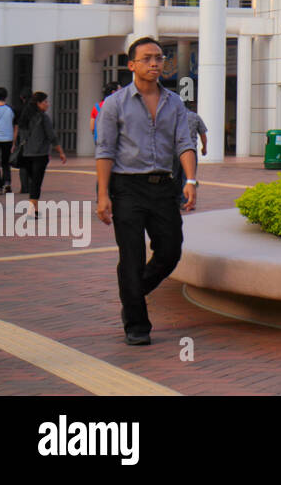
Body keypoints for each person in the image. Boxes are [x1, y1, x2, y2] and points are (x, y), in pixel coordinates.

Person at [95, 36, 197, 346]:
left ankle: (132, 294)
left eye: (159, 58)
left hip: (164, 186)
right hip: (127, 187)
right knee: (132, 255)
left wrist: (190, 180)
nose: (155, 63)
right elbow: (105, 150)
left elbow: (185, 143)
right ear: (132, 65)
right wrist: (103, 194)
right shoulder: (115, 104)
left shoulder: (174, 102)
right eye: (148, 58)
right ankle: (136, 324)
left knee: (170, 250)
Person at [14, 91, 67, 216]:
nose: (47, 104)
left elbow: (21, 135)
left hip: (26, 154)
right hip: (40, 155)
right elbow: (52, 136)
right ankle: (32, 210)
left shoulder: (25, 117)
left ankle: (35, 209)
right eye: (45, 102)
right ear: (38, 103)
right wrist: (61, 152)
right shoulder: (43, 117)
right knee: (36, 183)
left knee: (34, 182)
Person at [174, 101, 207, 212]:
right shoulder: (195, 117)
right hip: (190, 152)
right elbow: (203, 134)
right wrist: (204, 148)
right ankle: (186, 202)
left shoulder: (174, 117)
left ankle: (176, 200)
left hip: (175, 152)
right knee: (188, 177)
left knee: (175, 177)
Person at [0, 87, 16, 194]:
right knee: (6, 162)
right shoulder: (10, 109)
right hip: (7, 138)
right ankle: (7, 182)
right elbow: (14, 123)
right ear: (6, 96)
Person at [91, 82, 121, 147]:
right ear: (114, 92)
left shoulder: (96, 107)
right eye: (120, 90)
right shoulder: (119, 106)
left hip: (100, 140)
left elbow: (92, 128)